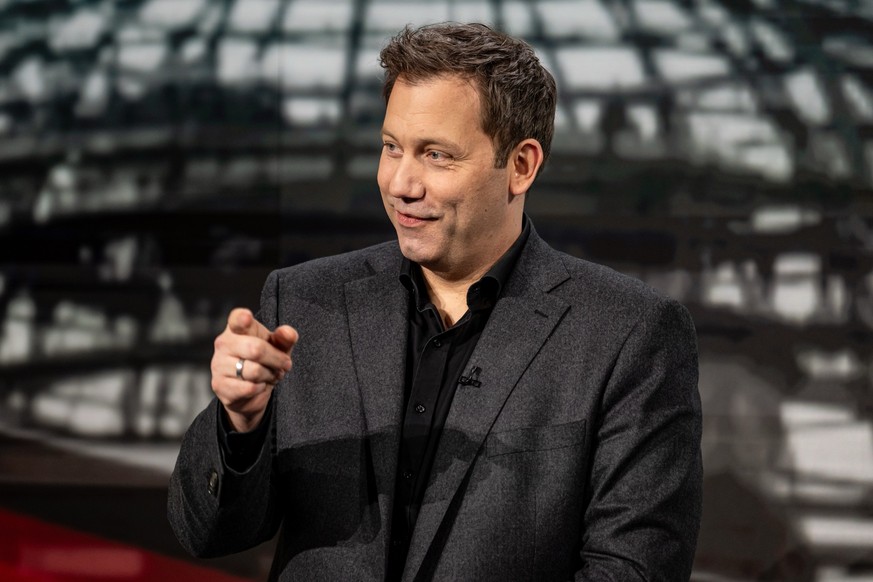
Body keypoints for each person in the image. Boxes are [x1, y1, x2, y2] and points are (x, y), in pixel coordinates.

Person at [168, 22, 702, 582]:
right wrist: (239, 422)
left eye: (437, 156)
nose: (401, 182)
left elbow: (633, 571)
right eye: (391, 147)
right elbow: (207, 532)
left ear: (521, 165)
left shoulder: (629, 334)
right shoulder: (305, 302)